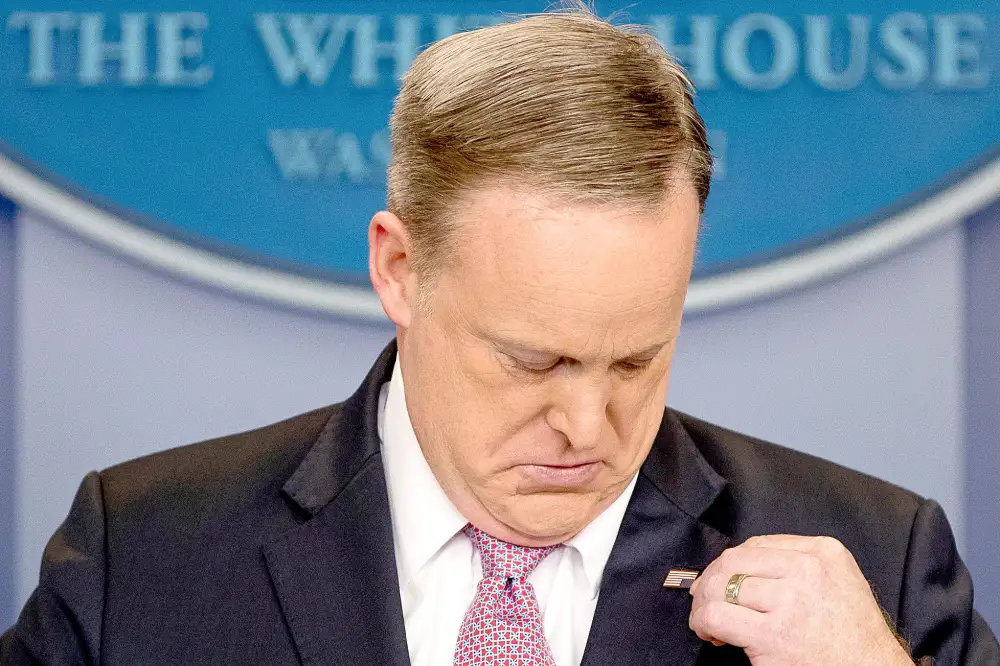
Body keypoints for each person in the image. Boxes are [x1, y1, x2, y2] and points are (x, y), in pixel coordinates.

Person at [2, 7, 997, 666]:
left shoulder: (880, 566)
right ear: (399, 269)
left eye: (636, 358)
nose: (588, 424)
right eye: (533, 360)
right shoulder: (143, 556)